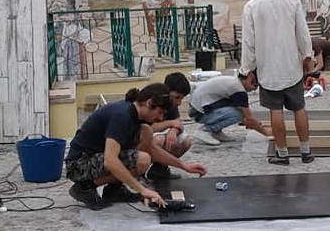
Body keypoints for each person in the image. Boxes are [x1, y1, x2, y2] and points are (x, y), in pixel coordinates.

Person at [65, 83, 207, 210]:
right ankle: (84, 188)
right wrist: (142, 190)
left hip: (94, 158)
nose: (161, 118)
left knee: (147, 132)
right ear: (149, 103)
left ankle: (115, 190)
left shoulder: (136, 117)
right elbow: (110, 160)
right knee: (142, 160)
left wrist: (184, 166)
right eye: (160, 112)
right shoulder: (121, 116)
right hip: (79, 165)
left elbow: (152, 149)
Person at [239, 0, 315, 165]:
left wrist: (246, 70)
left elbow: (248, 42)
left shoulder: (251, 6)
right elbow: (302, 32)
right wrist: (307, 56)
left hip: (268, 70)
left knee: (276, 111)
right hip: (292, 67)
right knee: (299, 108)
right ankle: (306, 152)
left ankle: (282, 153)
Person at [188, 72, 272, 145]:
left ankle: (216, 132)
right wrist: (266, 132)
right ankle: (204, 131)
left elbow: (247, 118)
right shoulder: (239, 90)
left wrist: (254, 123)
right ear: (247, 79)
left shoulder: (234, 82)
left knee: (237, 110)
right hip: (198, 112)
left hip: (197, 109)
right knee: (238, 114)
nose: (254, 89)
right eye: (254, 85)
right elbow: (248, 117)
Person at [145, 72, 192, 180]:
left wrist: (173, 131)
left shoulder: (172, 103)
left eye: (181, 98)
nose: (179, 102)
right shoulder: (154, 100)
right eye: (177, 97)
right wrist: (170, 125)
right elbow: (147, 128)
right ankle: (141, 172)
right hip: (146, 135)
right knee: (158, 141)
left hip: (164, 131)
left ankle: (160, 169)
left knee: (186, 141)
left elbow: (178, 122)